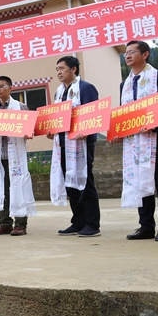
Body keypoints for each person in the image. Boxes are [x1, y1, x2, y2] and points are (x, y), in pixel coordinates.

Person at [118, 42, 158, 241]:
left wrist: (156, 124)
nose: (127, 56)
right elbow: (125, 114)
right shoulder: (124, 84)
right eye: (125, 53)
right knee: (140, 182)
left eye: (131, 52)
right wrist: (118, 131)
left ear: (145, 54)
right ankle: (146, 226)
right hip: (135, 142)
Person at [50, 57, 102, 238]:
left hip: (81, 142)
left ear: (73, 69)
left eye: (62, 68)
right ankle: (78, 221)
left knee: (85, 181)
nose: (58, 72)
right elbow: (56, 116)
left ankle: (92, 224)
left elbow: (93, 112)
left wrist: (87, 130)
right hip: (63, 143)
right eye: (57, 69)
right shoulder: (59, 92)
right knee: (70, 183)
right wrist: (52, 130)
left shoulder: (85, 88)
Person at [0, 76, 36, 236]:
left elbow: (29, 128)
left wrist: (28, 132)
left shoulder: (20, 107)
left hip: (15, 157)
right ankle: (5, 223)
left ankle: (20, 224)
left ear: (10, 88)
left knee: (19, 187)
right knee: (2, 190)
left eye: (2, 86)